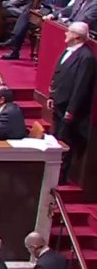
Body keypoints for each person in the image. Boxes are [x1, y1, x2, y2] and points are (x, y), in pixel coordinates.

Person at [48, 22, 95, 182]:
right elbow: (59, 74)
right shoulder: (68, 51)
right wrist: (52, 96)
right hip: (59, 103)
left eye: (69, 31)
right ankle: (51, 173)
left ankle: (60, 177)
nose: (65, 33)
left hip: (69, 108)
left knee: (65, 141)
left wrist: (71, 110)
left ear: (77, 36)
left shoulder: (86, 58)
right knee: (56, 138)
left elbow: (81, 86)